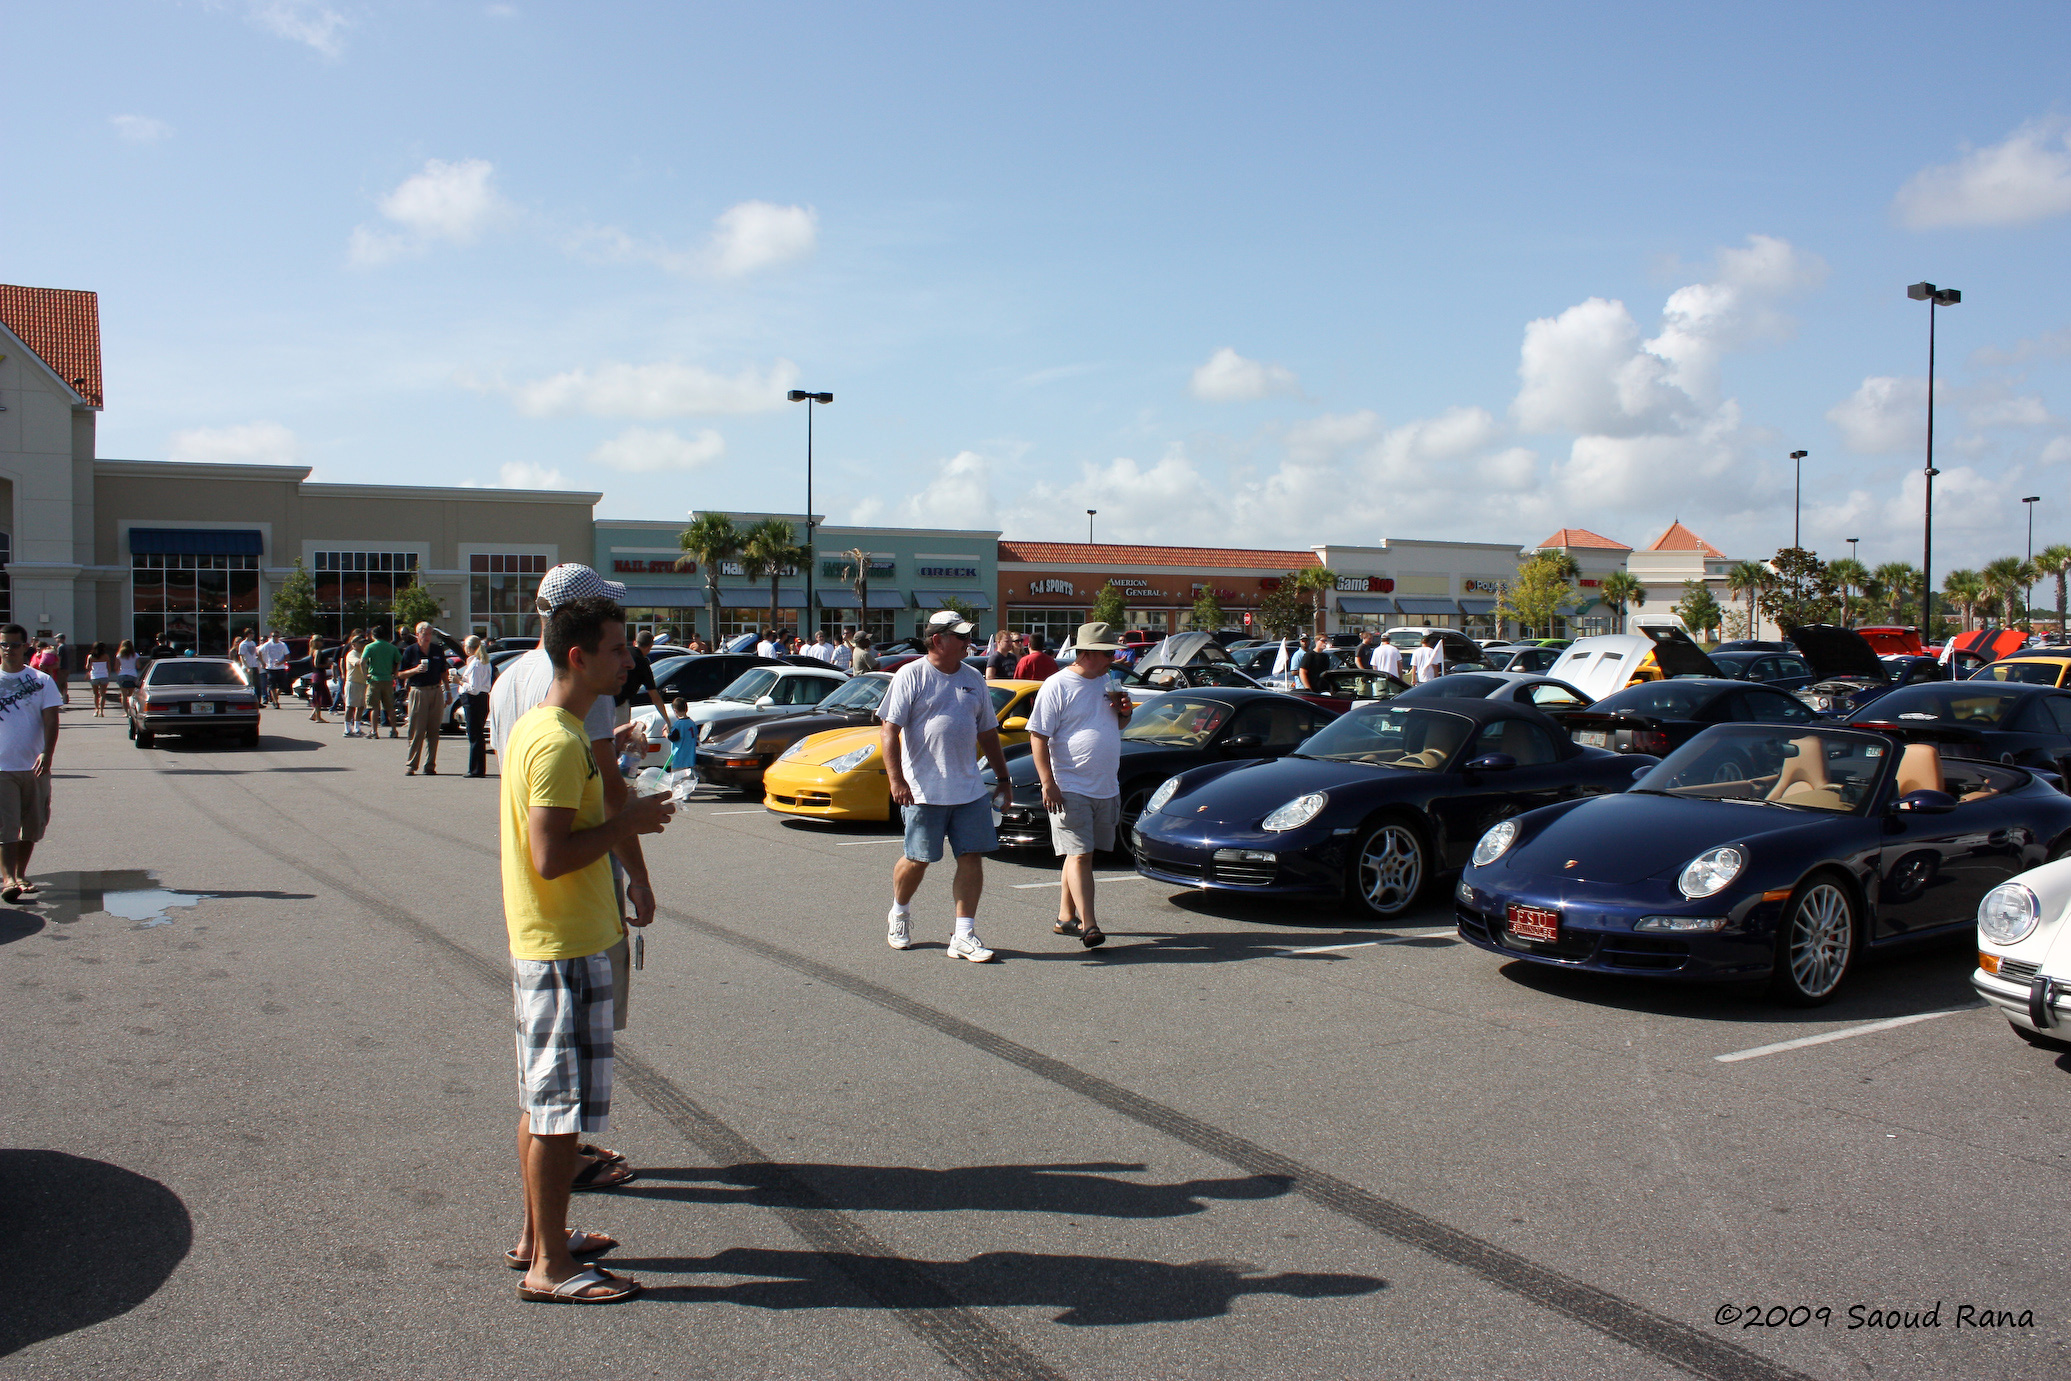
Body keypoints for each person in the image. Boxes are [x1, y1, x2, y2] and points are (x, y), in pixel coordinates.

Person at [500, 594, 674, 1304]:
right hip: (561, 946)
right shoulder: (559, 741)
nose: (629, 660)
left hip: (564, 939)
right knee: (557, 1112)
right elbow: (549, 857)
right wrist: (631, 820)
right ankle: (550, 1267)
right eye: (616, 649)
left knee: (545, 1103)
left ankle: (542, 1239)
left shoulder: (553, 728)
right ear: (577, 656)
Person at [880, 609, 1013, 962]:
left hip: (969, 790)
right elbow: (889, 730)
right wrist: (897, 780)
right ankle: (899, 912)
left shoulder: (973, 678)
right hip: (924, 791)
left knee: (971, 857)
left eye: (969, 636)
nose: (969, 642)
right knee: (918, 859)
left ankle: (964, 935)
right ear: (938, 640)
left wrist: (1003, 780)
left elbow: (988, 732)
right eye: (961, 636)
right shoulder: (911, 675)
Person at [1027, 621, 1132, 949]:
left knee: (1078, 855)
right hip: (1070, 784)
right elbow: (1038, 736)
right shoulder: (1057, 684)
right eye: (1107, 653)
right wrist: (1048, 783)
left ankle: (1065, 917)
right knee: (1081, 854)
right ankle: (1090, 925)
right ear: (1086, 653)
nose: (1113, 658)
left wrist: (1125, 712)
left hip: (1105, 784)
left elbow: (1118, 724)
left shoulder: (1108, 681)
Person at [0, 625, 62, 903]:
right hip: (2, 768)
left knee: (33, 824)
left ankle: (20, 874)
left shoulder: (41, 680)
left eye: (14, 645)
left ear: (26, 647)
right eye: (4, 644)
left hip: (34, 767)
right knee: (6, 825)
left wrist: (47, 753)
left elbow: (51, 720)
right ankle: (8, 879)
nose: (8, 650)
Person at [398, 622, 450, 775]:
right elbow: (400, 674)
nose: (427, 637)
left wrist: (448, 691)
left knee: (434, 731)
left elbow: (443, 672)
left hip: (436, 690)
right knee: (417, 730)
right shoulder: (410, 651)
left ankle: (430, 765)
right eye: (424, 634)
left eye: (429, 634)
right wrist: (415, 670)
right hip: (418, 691)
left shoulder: (437, 650)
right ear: (417, 634)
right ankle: (411, 764)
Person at [617, 630, 670, 730]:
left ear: (635, 642)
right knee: (619, 736)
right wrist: (667, 721)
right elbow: (654, 696)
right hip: (619, 704)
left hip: (602, 699)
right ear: (650, 647)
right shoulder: (642, 663)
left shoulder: (621, 652)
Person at [459, 635, 495, 777]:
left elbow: (474, 688)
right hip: (480, 699)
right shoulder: (483, 662)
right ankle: (477, 768)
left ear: (469, 648)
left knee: (474, 734)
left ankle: (476, 769)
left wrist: (459, 682)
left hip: (474, 700)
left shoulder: (476, 664)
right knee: (477, 734)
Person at [360, 628, 401, 737]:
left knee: (374, 707)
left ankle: (374, 731)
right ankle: (394, 730)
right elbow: (399, 660)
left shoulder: (369, 647)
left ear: (373, 635)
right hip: (388, 679)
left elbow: (362, 662)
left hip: (374, 679)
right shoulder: (392, 647)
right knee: (390, 707)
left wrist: (365, 675)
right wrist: (395, 673)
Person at [341, 635, 368, 737]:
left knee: (361, 706)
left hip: (362, 683)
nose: (362, 645)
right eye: (360, 643)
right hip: (353, 682)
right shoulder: (352, 654)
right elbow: (358, 663)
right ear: (354, 644)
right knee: (350, 706)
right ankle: (347, 729)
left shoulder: (363, 653)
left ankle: (357, 728)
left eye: (363, 643)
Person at [258, 630, 290, 708]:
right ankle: (276, 702)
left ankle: (275, 696)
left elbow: (287, 656)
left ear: (279, 637)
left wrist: (281, 662)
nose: (274, 638)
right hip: (271, 668)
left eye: (276, 636)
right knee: (272, 685)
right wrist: (263, 662)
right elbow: (259, 652)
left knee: (283, 685)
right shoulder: (267, 644)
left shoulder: (282, 645)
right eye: (273, 636)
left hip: (281, 667)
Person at [664, 698, 697, 770]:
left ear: (675, 711)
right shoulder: (692, 723)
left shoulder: (678, 724)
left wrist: (665, 733)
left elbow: (673, 737)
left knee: (677, 776)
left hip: (679, 760)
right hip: (690, 760)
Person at [307, 634, 331, 724]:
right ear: (316, 642)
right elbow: (316, 664)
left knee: (318, 695)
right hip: (318, 675)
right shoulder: (317, 652)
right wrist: (327, 664)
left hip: (316, 675)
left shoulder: (313, 651)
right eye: (320, 641)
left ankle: (314, 714)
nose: (322, 642)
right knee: (318, 696)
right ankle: (318, 717)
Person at [114, 640, 141, 716]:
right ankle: (132, 712)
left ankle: (126, 712)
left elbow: (116, 667)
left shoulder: (119, 655)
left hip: (122, 675)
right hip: (132, 675)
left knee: (124, 695)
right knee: (132, 696)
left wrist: (119, 673)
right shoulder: (135, 655)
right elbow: (138, 666)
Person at [87, 643, 111, 717]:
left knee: (95, 694)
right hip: (104, 676)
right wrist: (108, 674)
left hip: (95, 676)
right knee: (103, 695)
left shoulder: (91, 656)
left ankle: (96, 709)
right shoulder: (106, 656)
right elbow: (108, 667)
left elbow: (88, 667)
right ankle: (101, 711)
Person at [50, 635, 70, 705]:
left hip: (61, 668)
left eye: (57, 638)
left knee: (59, 683)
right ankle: (65, 696)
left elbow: (59, 658)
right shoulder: (66, 646)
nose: (56, 639)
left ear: (60, 639)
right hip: (66, 667)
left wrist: (57, 666)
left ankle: (64, 697)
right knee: (64, 683)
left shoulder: (61, 647)